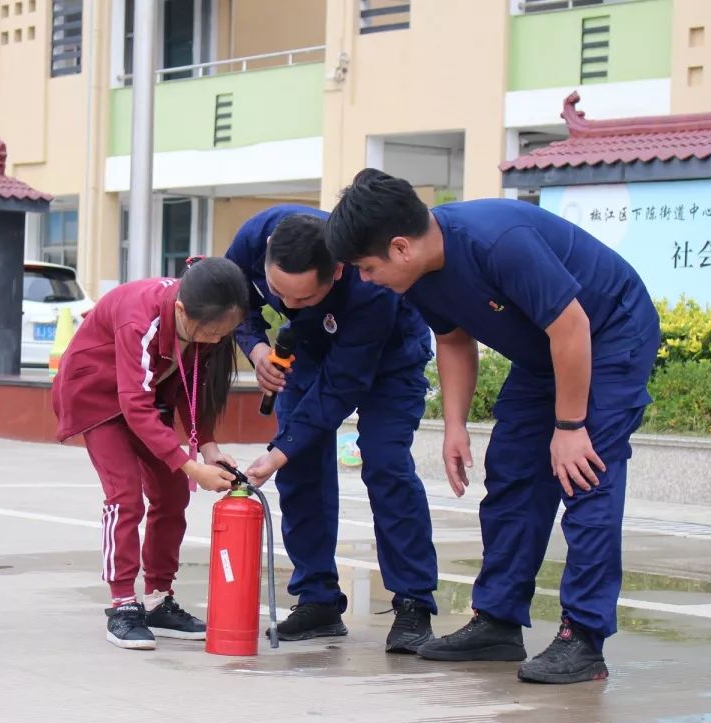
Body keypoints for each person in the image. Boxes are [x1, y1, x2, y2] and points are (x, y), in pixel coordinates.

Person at [326, 169, 661, 684]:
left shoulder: (499, 243)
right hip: (544, 352)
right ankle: (498, 621)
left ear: (400, 248)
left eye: (367, 268)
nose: (366, 280)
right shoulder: (417, 276)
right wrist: (454, 425)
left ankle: (585, 639)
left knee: (584, 474)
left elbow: (572, 326)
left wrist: (570, 425)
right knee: (511, 470)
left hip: (609, 333)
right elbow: (454, 339)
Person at [225, 205, 438, 654]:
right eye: (281, 294)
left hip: (388, 360)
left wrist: (277, 451)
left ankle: (413, 603)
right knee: (300, 467)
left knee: (385, 463)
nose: (288, 305)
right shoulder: (255, 236)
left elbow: (340, 386)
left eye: (303, 299)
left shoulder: (369, 287)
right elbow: (235, 297)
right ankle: (318, 599)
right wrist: (258, 347)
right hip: (309, 349)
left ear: (338, 271)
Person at [52, 257, 248, 650]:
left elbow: (192, 389)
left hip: (143, 398)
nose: (212, 340)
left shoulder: (204, 322)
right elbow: (134, 407)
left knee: (172, 493)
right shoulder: (139, 319)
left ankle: (159, 598)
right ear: (180, 310)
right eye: (207, 332)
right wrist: (190, 464)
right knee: (124, 496)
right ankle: (123, 604)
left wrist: (207, 449)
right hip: (97, 400)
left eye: (222, 333)